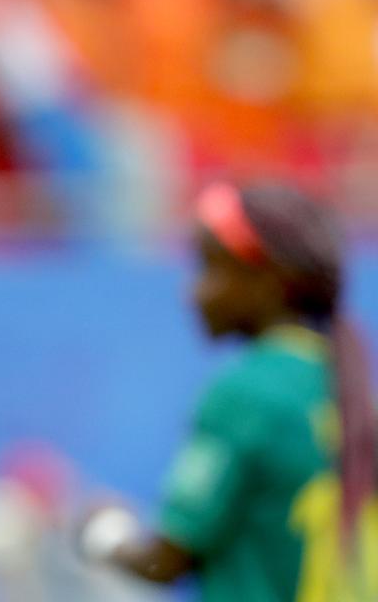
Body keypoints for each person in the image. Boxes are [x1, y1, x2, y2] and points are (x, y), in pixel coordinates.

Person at [77, 181, 378, 600]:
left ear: (273, 280)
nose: (192, 293)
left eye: (211, 268)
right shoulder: (346, 386)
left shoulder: (245, 395)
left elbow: (165, 560)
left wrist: (102, 532)